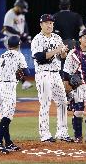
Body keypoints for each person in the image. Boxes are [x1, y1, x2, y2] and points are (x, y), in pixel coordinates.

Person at [31, 14, 73, 142]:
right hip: (43, 73)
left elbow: (62, 57)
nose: (49, 25)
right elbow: (39, 57)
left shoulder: (57, 37)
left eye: (51, 23)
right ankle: (44, 134)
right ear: (41, 25)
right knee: (45, 103)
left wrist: (63, 51)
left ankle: (62, 132)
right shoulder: (37, 39)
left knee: (62, 102)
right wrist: (57, 50)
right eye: (46, 23)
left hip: (56, 74)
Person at [0, 36, 29, 154]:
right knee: (7, 116)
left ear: (8, 45)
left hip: (0, 86)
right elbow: (26, 72)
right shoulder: (19, 55)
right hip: (9, 88)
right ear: (18, 45)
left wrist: (16, 73)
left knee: (4, 115)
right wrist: (19, 74)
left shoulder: (3, 55)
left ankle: (7, 142)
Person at [63, 29, 86, 143]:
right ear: (80, 39)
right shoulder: (73, 53)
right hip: (77, 86)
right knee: (78, 111)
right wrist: (67, 90)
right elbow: (66, 72)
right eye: (84, 37)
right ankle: (78, 136)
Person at [2, 0, 32, 90]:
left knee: (14, 62)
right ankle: (23, 82)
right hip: (10, 40)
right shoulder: (10, 14)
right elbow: (7, 27)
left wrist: (26, 34)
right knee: (16, 61)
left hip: (17, 40)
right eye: (22, 9)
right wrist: (20, 34)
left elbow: (24, 24)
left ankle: (10, 80)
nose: (23, 11)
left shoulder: (21, 14)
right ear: (18, 7)